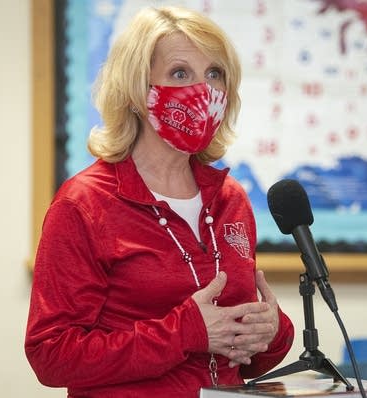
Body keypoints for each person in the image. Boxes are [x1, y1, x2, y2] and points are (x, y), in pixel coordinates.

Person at [25, 6, 294, 397]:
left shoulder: (229, 198)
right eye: (180, 73)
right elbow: (51, 356)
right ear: (137, 89)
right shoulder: (84, 204)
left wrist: (270, 332)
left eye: (214, 74)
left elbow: (237, 354)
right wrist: (182, 333)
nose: (203, 91)